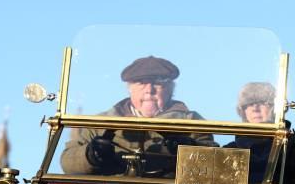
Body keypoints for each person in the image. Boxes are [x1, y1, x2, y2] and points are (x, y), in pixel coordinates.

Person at [60, 55, 215, 175]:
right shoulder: (101, 123)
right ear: (130, 88)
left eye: (158, 82)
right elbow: (67, 162)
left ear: (170, 88)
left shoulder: (191, 122)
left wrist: (189, 150)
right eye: (141, 83)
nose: (149, 90)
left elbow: (215, 165)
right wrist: (91, 155)